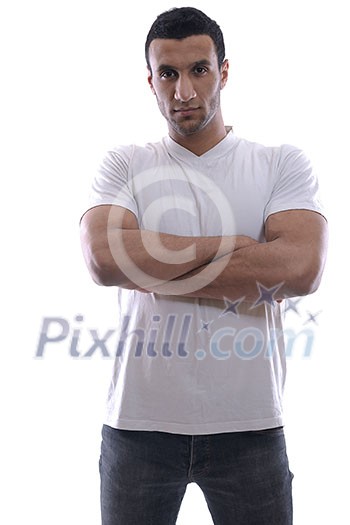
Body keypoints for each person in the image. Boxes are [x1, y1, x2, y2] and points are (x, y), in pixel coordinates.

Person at [80, 7, 328, 525]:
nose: (184, 91)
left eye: (199, 69)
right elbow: (104, 260)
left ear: (225, 72)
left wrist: (151, 266)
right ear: (151, 80)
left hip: (251, 426)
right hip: (138, 426)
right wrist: (241, 248)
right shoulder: (126, 163)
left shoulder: (279, 162)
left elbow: (301, 268)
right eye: (168, 74)